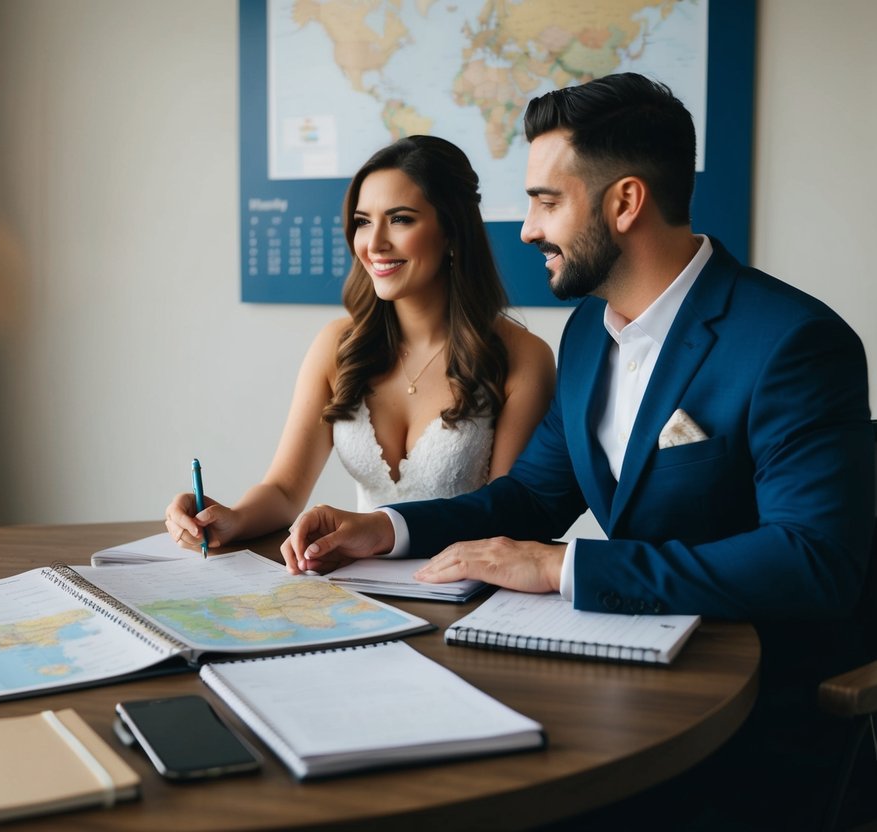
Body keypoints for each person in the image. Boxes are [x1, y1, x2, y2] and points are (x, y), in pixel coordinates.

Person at [282, 74, 873, 828]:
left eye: (545, 200)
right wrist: (387, 529)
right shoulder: (589, 334)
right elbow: (529, 497)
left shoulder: (790, 342)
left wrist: (563, 565)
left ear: (624, 202)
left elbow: (813, 562)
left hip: (754, 720)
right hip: (631, 683)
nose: (526, 228)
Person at [164, 136, 555, 550]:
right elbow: (284, 491)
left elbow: (507, 517)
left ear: (451, 230)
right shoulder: (337, 345)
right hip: (361, 591)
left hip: (469, 590)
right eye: (363, 221)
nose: (374, 243)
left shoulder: (524, 358)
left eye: (400, 219)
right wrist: (230, 519)